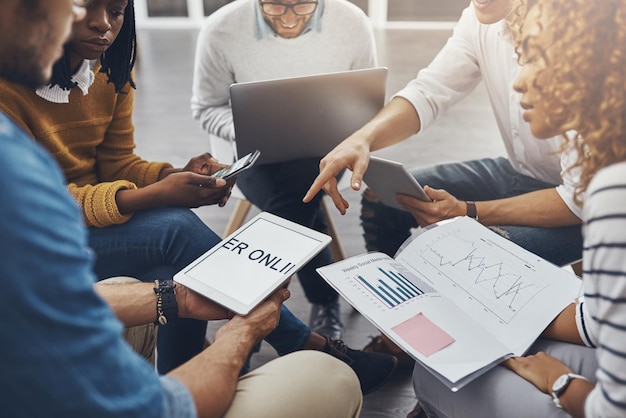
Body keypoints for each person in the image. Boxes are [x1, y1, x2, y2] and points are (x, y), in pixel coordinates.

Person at [0, 0, 397, 391]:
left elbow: (118, 165)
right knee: (175, 230)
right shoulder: (8, 90)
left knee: (176, 261)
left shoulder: (109, 70)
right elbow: (37, 208)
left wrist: (172, 175)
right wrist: (153, 195)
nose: (103, 24)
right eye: (88, 8)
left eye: (118, 11)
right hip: (37, 241)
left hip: (96, 221)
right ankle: (300, 342)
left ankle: (184, 379)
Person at [413, 0, 626, 416]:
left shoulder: (614, 193)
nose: (517, 81)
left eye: (534, 57)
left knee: (439, 378)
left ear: (588, 63)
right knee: (516, 350)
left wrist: (559, 381)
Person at [304, 0, 582, 268]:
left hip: (592, 209)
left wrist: (468, 211)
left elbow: (578, 200)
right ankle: (394, 303)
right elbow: (429, 91)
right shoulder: (477, 19)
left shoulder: (582, 46)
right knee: (384, 198)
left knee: (479, 253)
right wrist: (361, 140)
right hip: (523, 174)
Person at [191, 0, 377, 339]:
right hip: (253, 155)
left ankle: (243, 310)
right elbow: (206, 107)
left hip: (324, 151)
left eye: (302, 6)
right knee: (302, 194)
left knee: (302, 179)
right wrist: (252, 129)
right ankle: (323, 303)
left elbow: (365, 104)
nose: (289, 20)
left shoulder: (353, 23)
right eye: (275, 6)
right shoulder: (221, 29)